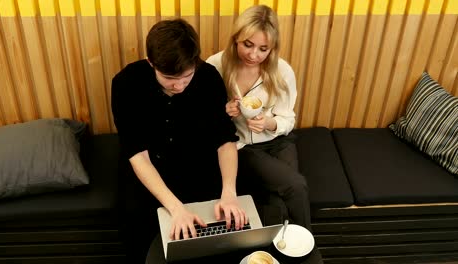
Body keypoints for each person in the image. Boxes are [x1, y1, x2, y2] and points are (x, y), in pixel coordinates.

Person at [111, 19, 247, 263]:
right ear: (151, 62)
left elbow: (225, 140)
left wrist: (229, 192)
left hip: (196, 165)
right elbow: (137, 154)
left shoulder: (208, 77)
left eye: (187, 77)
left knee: (221, 235)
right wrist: (175, 208)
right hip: (148, 171)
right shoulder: (125, 83)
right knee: (143, 237)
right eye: (169, 78)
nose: (180, 86)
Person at [206, 5, 312, 230]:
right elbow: (203, 116)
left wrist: (269, 122)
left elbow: (287, 119)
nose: (254, 55)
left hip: (280, 141)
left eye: (263, 49)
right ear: (236, 39)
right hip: (243, 147)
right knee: (296, 185)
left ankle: (291, 249)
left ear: (272, 48)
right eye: (248, 44)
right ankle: (308, 246)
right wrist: (223, 112)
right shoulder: (215, 66)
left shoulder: (282, 71)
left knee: (278, 201)